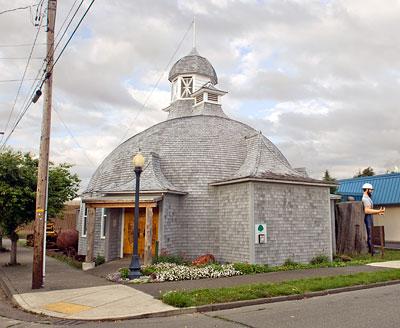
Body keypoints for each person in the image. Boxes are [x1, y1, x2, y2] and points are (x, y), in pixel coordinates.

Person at [362, 183, 385, 254]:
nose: (371, 191)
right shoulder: (365, 199)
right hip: (368, 216)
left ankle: (371, 248)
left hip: (370, 216)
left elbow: (370, 210)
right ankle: (371, 248)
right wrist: (378, 211)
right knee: (370, 232)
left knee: (371, 231)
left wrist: (378, 212)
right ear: (366, 190)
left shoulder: (368, 198)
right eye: (370, 190)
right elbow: (366, 210)